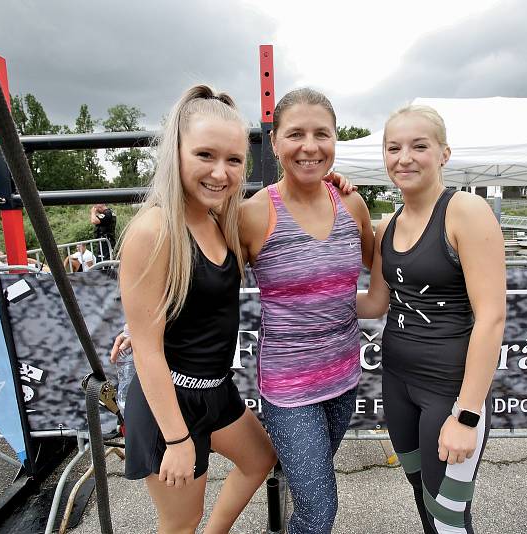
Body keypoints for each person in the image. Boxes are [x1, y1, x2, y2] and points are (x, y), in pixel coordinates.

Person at [117, 85, 276, 534]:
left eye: (233, 160)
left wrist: (335, 186)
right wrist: (177, 439)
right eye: (205, 155)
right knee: (180, 521)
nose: (220, 173)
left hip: (216, 390)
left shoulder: (218, 219)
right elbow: (148, 354)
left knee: (259, 458)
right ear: (177, 152)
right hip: (169, 401)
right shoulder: (155, 229)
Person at [356, 105, 506, 534]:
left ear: (443, 153)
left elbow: (492, 318)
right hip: (397, 384)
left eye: (419, 146)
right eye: (393, 147)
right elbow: (374, 305)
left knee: (449, 517)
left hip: (448, 392)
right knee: (426, 503)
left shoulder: (466, 212)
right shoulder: (388, 227)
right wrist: (309, 299)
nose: (404, 157)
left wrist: (467, 415)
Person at [239, 88, 374, 534]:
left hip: (343, 378)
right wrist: (147, 324)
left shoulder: (351, 204)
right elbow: (206, 281)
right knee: (320, 510)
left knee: (308, 498)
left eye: (323, 134)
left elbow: (386, 262)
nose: (310, 146)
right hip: (288, 390)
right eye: (295, 133)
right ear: (274, 141)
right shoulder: (254, 214)